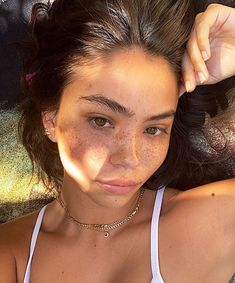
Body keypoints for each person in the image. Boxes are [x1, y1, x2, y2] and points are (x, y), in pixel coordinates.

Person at [0, 0, 234, 282]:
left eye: (154, 128)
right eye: (102, 121)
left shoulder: (210, 221)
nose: (129, 158)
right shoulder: (11, 254)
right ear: (51, 117)